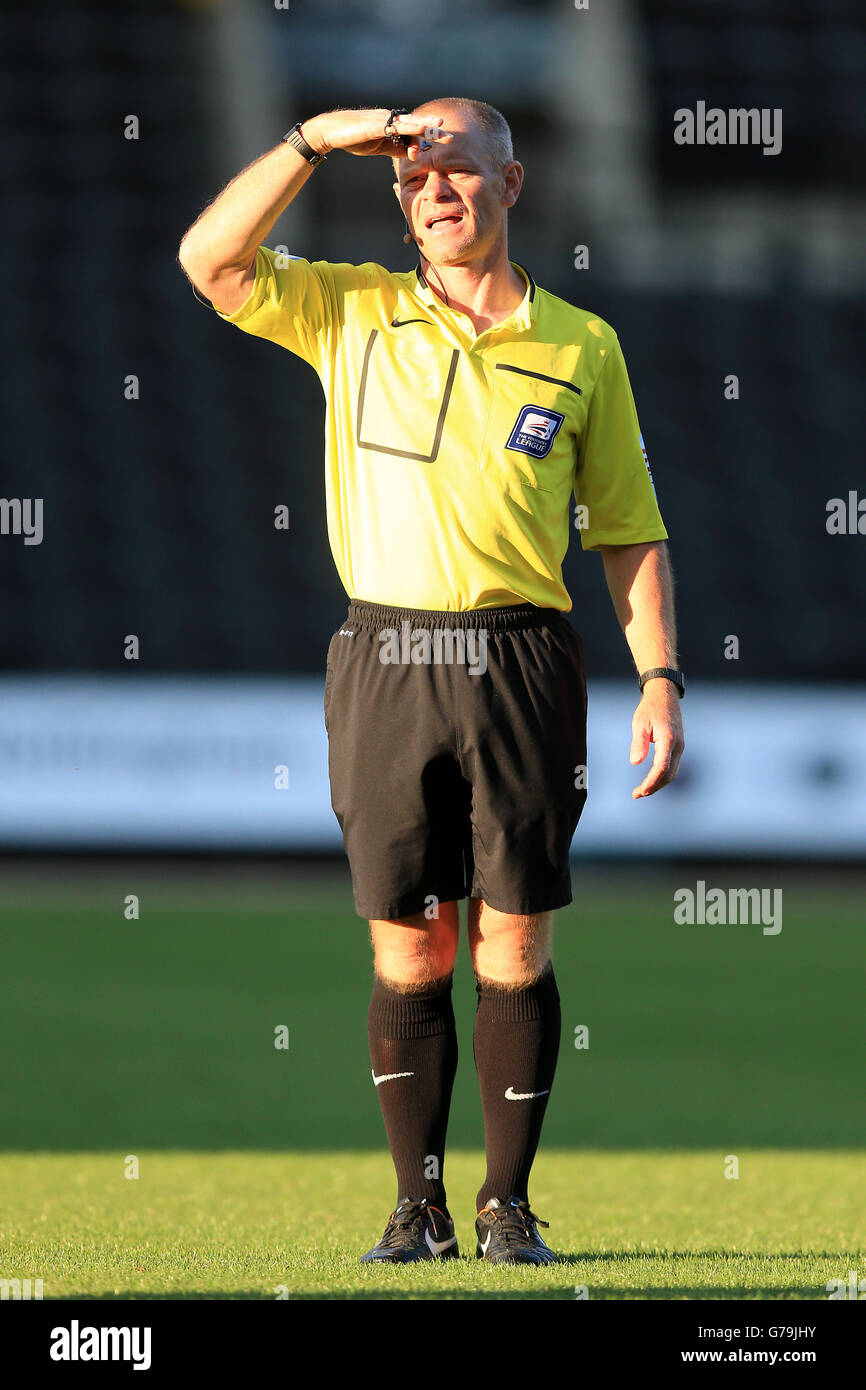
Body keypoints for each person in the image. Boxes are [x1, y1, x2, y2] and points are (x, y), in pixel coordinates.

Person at [178, 98, 685, 1266]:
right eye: (412, 175)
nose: (435, 188)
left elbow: (627, 528)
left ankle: (508, 1208)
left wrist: (656, 673)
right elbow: (209, 259)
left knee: (512, 945)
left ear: (512, 184)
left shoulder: (581, 344)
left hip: (523, 655)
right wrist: (310, 143)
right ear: (396, 202)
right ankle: (416, 1209)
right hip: (386, 657)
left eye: (458, 167)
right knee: (408, 948)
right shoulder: (347, 307)